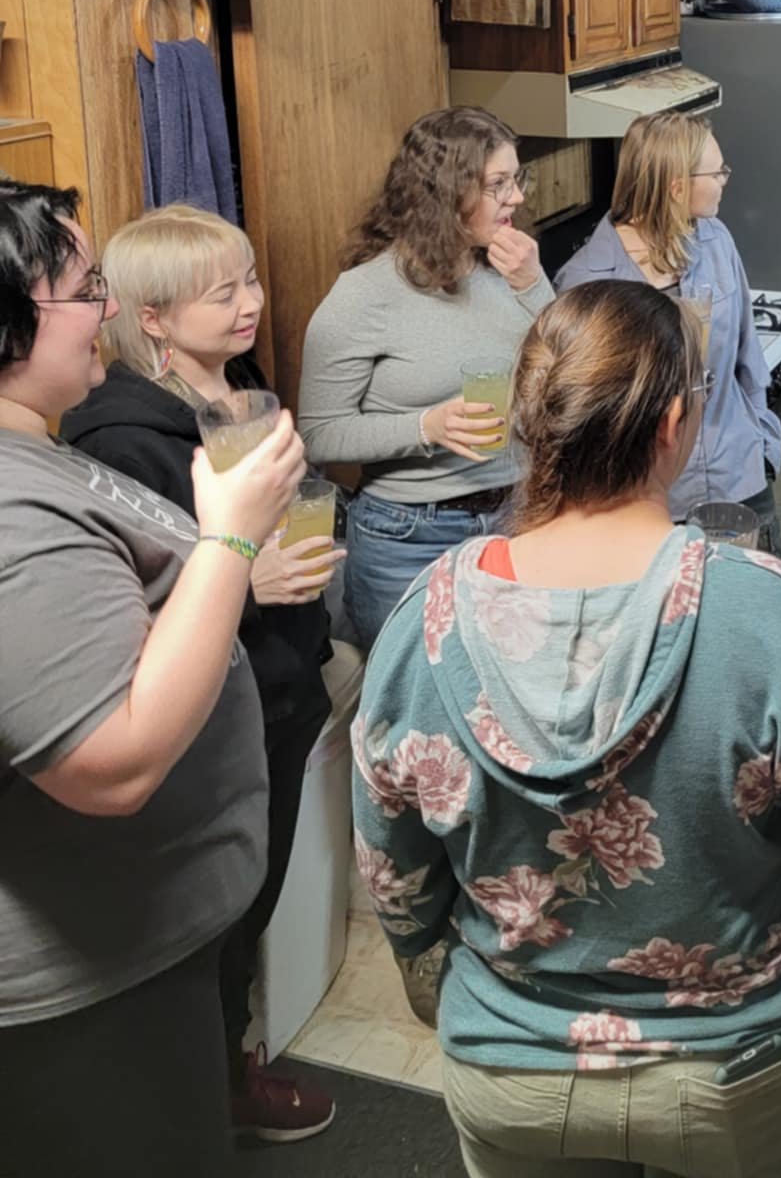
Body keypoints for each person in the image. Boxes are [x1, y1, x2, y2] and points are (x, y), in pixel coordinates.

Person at [353, 280, 781, 1178]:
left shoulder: (423, 620)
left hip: (510, 1060)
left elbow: (395, 883)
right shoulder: (768, 614)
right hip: (734, 1072)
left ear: (535, 420)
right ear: (673, 425)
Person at [0, 181, 305, 1178]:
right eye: (85, 289)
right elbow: (112, 760)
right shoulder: (11, 514)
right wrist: (230, 535)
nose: (108, 310)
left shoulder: (34, 447)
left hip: (142, 943)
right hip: (88, 986)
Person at [60, 204, 339, 1146]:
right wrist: (248, 581)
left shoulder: (236, 388)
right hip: (222, 710)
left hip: (281, 687)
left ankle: (229, 1065)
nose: (251, 303)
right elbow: (125, 620)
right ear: (151, 319)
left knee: (250, 900)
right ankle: (216, 1090)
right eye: (222, 293)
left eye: (250, 280)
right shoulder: (120, 440)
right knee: (214, 917)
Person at [299, 106, 555, 648]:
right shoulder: (364, 295)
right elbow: (319, 434)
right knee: (415, 712)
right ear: (446, 192)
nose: (518, 198)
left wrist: (534, 286)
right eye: (498, 184)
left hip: (516, 517)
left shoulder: (510, 272)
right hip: (408, 540)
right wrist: (425, 428)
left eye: (517, 179)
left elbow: (565, 370)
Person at [556, 113, 781, 553]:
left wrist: (763, 445)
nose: (724, 180)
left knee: (759, 611)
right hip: (649, 501)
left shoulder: (716, 240)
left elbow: (747, 357)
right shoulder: (587, 281)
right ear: (677, 187)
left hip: (737, 479)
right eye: (715, 172)